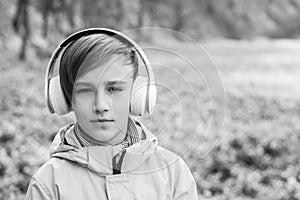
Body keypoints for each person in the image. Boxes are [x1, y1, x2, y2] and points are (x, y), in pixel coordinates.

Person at [25, 28, 198, 200]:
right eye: (85, 91)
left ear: (137, 95)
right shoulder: (48, 184)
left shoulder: (173, 174)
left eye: (113, 89)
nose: (100, 105)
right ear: (65, 99)